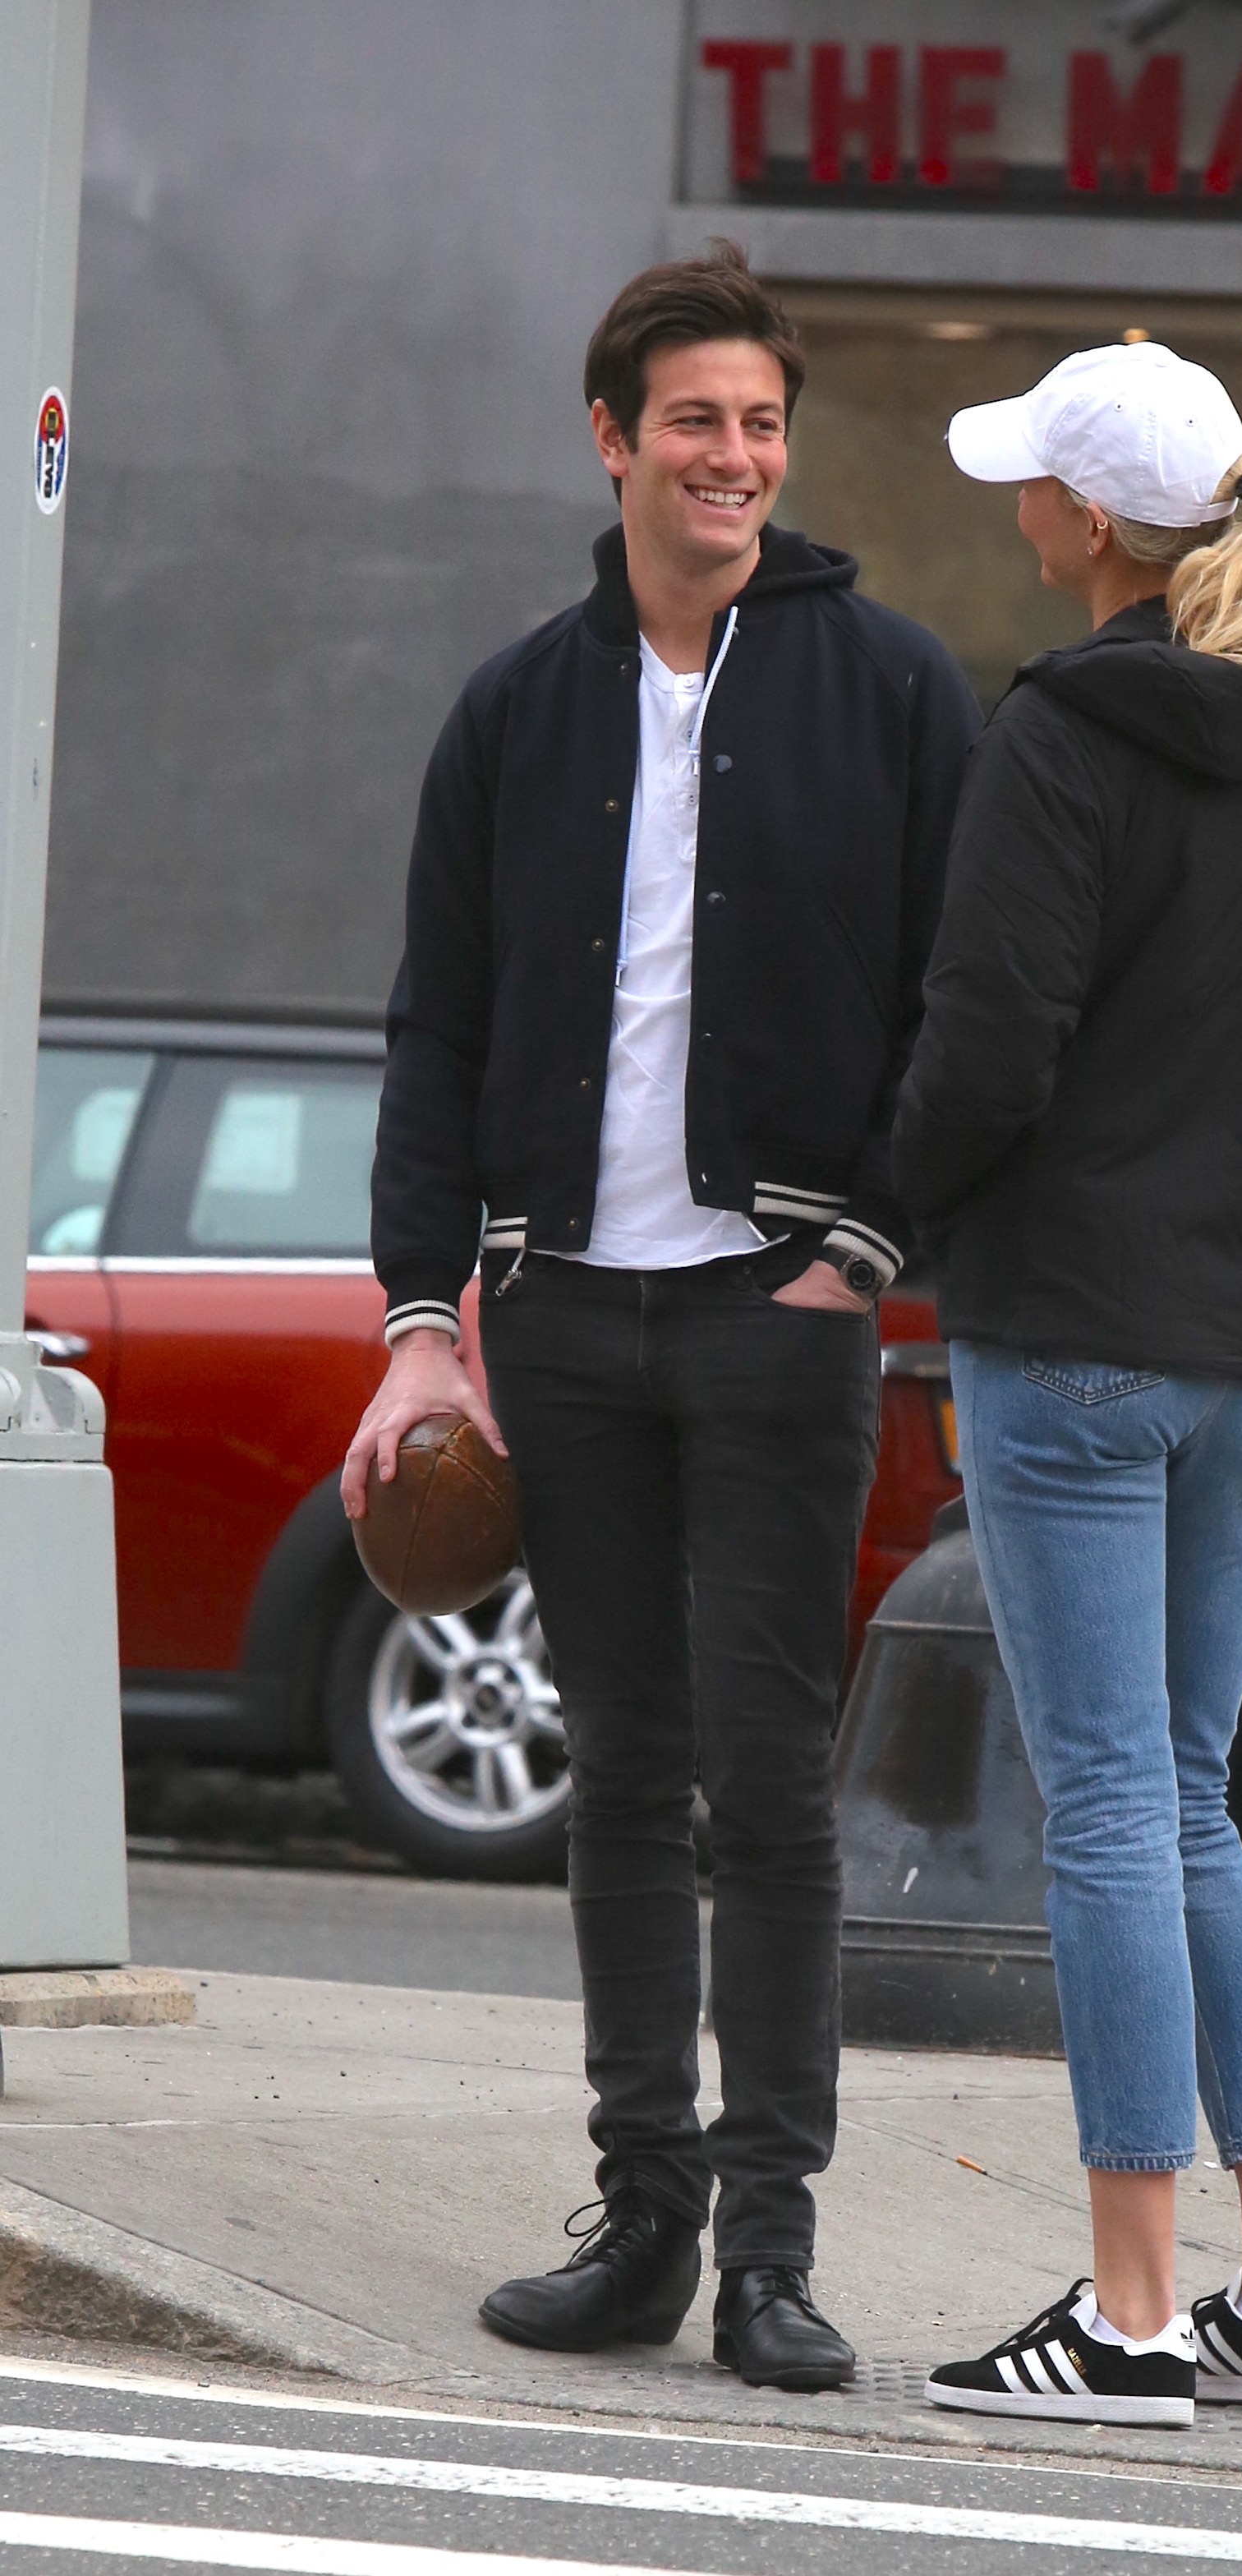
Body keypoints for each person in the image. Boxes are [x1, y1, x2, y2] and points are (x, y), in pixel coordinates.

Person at [343, 243, 982, 2393]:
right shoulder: (516, 711)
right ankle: (639, 2221)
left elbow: (967, 1011)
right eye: (695, 420)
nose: (733, 456)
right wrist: (421, 1319)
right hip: (564, 1318)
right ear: (610, 439)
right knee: (617, 1771)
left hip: (777, 1313)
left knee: (767, 1790)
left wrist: (860, 1247)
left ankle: (770, 2253)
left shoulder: (894, 693)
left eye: (761, 423)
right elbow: (434, 1034)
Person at [894, 342, 1242, 2427]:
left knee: (1112, 1805)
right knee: (1185, 1802)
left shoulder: (1058, 733)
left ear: (1093, 524)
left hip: (1074, 1334)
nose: (1018, 504)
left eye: (1034, 479)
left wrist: (888, 1220)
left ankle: (1125, 2315)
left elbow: (986, 1045)